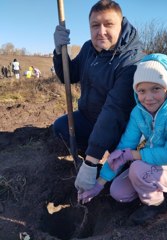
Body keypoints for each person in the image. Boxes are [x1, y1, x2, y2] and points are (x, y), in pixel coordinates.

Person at [53, 0, 145, 192]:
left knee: (121, 176)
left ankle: (99, 158)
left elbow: (114, 111)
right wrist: (59, 51)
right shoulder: (88, 48)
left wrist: (90, 163)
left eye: (108, 24)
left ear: (121, 25)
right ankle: (91, 153)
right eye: (95, 25)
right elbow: (68, 76)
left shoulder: (131, 62)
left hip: (119, 128)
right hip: (89, 117)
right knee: (61, 127)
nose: (100, 31)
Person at [78, 53, 167, 225]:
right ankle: (150, 187)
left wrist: (133, 155)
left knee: (137, 168)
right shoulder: (138, 113)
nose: (148, 97)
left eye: (156, 88)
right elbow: (125, 146)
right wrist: (100, 183)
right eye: (142, 91)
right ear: (136, 92)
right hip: (152, 164)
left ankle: (156, 205)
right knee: (118, 192)